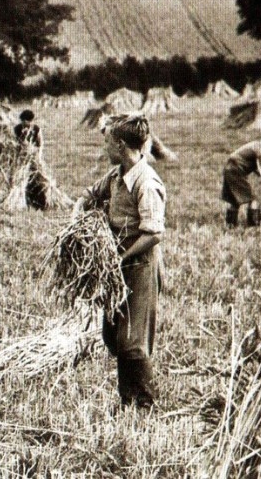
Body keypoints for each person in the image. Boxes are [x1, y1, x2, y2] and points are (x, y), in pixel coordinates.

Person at [71, 114, 166, 409]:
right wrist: (76, 221)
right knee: (112, 336)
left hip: (139, 264)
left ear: (121, 145)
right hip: (118, 265)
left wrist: (120, 257)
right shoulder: (116, 175)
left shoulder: (146, 183)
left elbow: (153, 234)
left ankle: (143, 404)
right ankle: (128, 400)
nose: (105, 147)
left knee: (132, 343)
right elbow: (89, 195)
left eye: (108, 142)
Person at [221, 129, 261, 227]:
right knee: (252, 199)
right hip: (236, 171)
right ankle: (253, 226)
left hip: (229, 169)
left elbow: (258, 170)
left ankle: (230, 226)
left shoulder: (256, 144)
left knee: (234, 200)